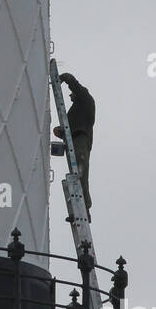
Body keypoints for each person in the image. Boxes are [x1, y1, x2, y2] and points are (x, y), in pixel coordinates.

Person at [53, 71, 95, 215]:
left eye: (72, 94)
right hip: (75, 139)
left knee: (80, 173)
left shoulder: (85, 99)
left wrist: (64, 78)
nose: (70, 96)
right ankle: (82, 206)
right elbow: (70, 126)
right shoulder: (77, 108)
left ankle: (85, 207)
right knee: (76, 174)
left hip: (81, 139)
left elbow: (75, 85)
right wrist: (60, 130)